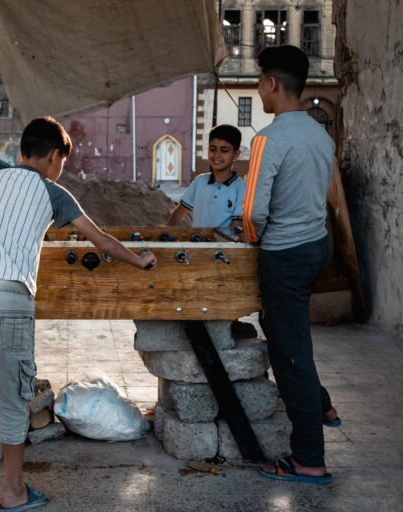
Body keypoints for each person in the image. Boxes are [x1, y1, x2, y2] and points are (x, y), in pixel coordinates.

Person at [0, 116, 157, 511]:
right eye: (62, 162)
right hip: (10, 298)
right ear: (54, 157)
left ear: (22, 151)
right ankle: (14, 493)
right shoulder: (55, 193)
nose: (61, 169)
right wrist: (140, 261)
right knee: (16, 396)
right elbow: (101, 239)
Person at [242, 45, 339, 485]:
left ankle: (309, 461)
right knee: (291, 334)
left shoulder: (268, 138)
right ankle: (323, 405)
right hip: (317, 246)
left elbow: (252, 213)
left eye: (261, 80)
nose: (261, 88)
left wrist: (246, 240)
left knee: (290, 356)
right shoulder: (321, 135)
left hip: (285, 255)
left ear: (271, 83)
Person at [166, 124, 246, 233]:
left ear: (236, 154)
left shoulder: (241, 188)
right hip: (198, 246)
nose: (217, 155)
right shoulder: (200, 181)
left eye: (224, 150)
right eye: (212, 149)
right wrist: (164, 233)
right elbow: (181, 211)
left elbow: (236, 225)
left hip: (224, 248)